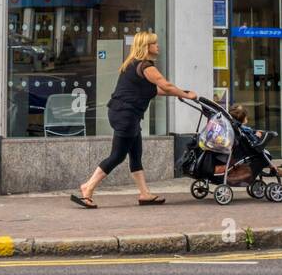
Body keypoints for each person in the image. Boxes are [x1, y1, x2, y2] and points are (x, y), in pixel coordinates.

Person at [71, 31, 196, 208]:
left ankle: (144, 194)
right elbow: (165, 85)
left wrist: (181, 93)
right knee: (117, 156)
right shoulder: (146, 66)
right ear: (147, 46)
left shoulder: (134, 65)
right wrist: (187, 95)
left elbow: (157, 90)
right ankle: (88, 187)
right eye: (155, 43)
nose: (157, 46)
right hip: (126, 114)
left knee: (135, 155)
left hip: (126, 113)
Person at [229, 103, 282, 178]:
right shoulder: (243, 129)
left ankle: (273, 168)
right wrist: (257, 136)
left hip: (240, 152)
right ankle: (274, 169)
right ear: (243, 119)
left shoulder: (237, 128)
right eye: (246, 117)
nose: (247, 118)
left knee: (263, 153)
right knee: (263, 154)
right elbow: (252, 139)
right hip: (247, 152)